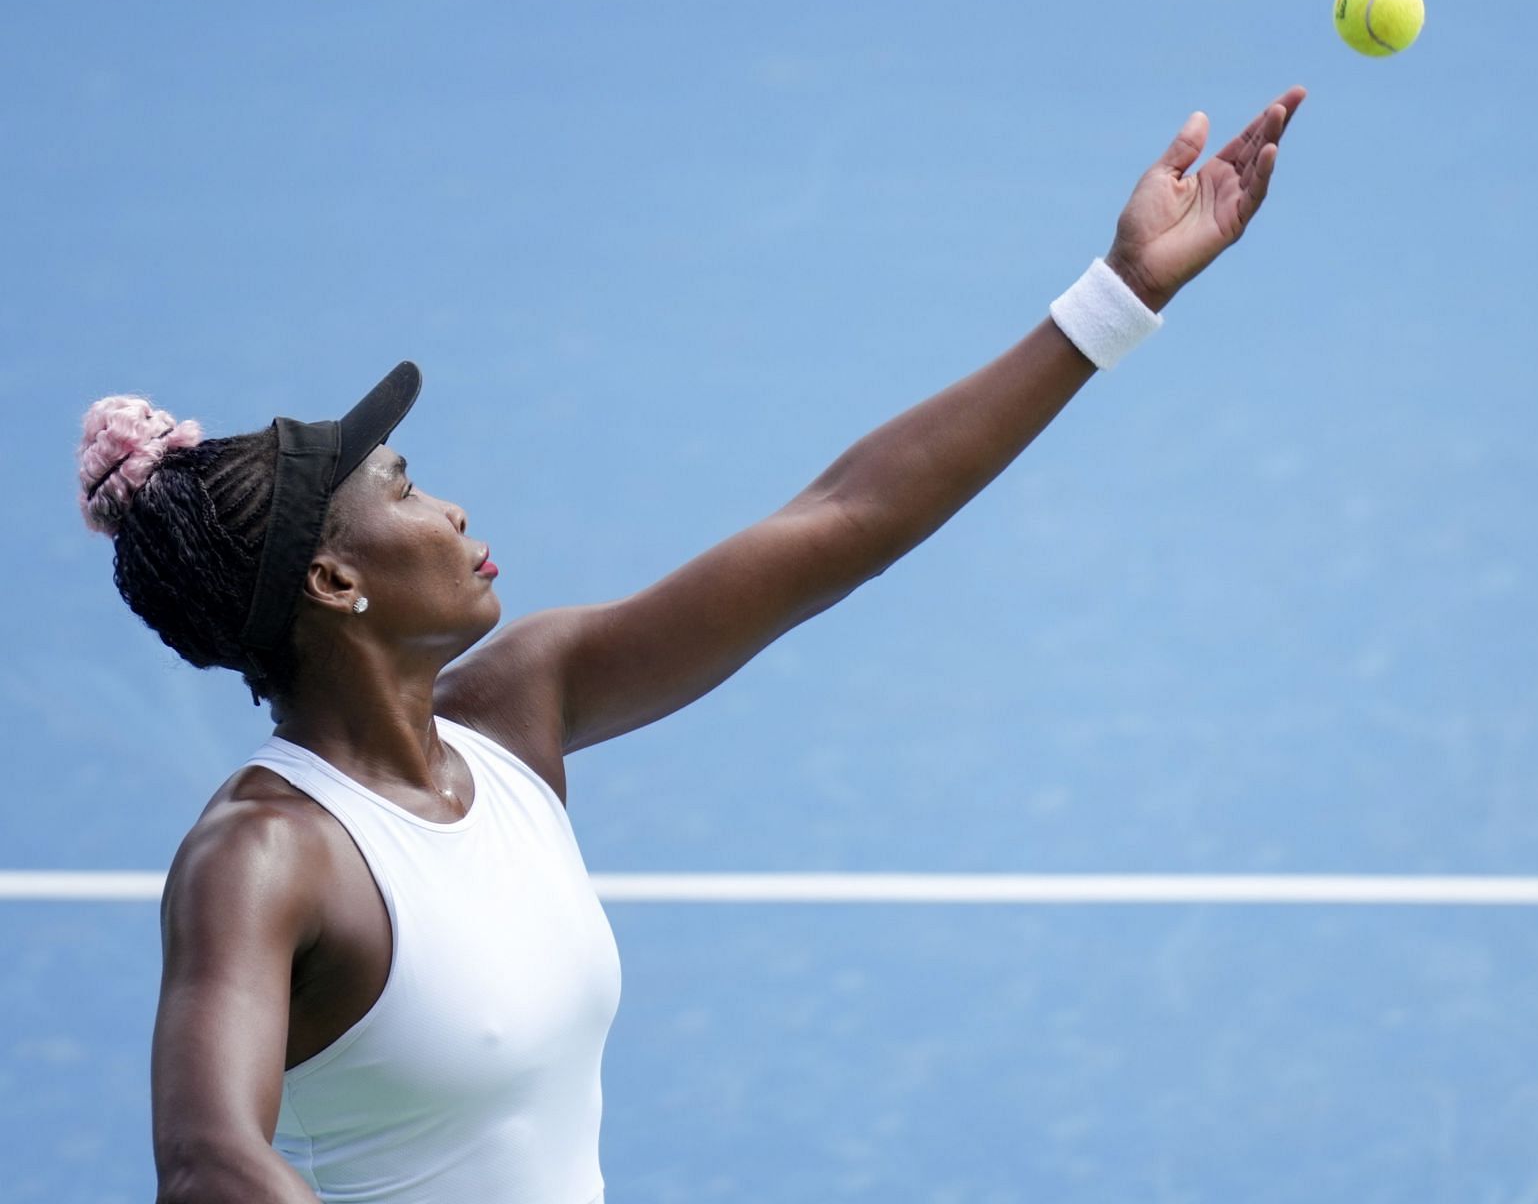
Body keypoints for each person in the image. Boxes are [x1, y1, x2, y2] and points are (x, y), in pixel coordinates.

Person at [79, 89, 1305, 1204]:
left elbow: (841, 522)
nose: (449, 509)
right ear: (335, 579)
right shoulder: (265, 854)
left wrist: (1120, 294)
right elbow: (207, 1160)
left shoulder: (515, 711)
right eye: (403, 489)